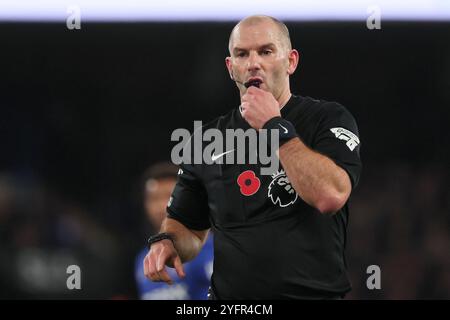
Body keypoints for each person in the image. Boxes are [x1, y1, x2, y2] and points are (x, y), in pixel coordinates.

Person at [143, 15, 362, 299]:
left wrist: (274, 127)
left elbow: (330, 194)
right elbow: (189, 229)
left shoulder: (327, 119)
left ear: (291, 61)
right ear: (230, 67)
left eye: (266, 51)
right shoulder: (207, 139)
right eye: (242, 54)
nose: (253, 62)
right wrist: (168, 241)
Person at [135, 162, 213, 300]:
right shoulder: (143, 259)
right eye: (154, 198)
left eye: (169, 196)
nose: (160, 207)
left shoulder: (214, 249)